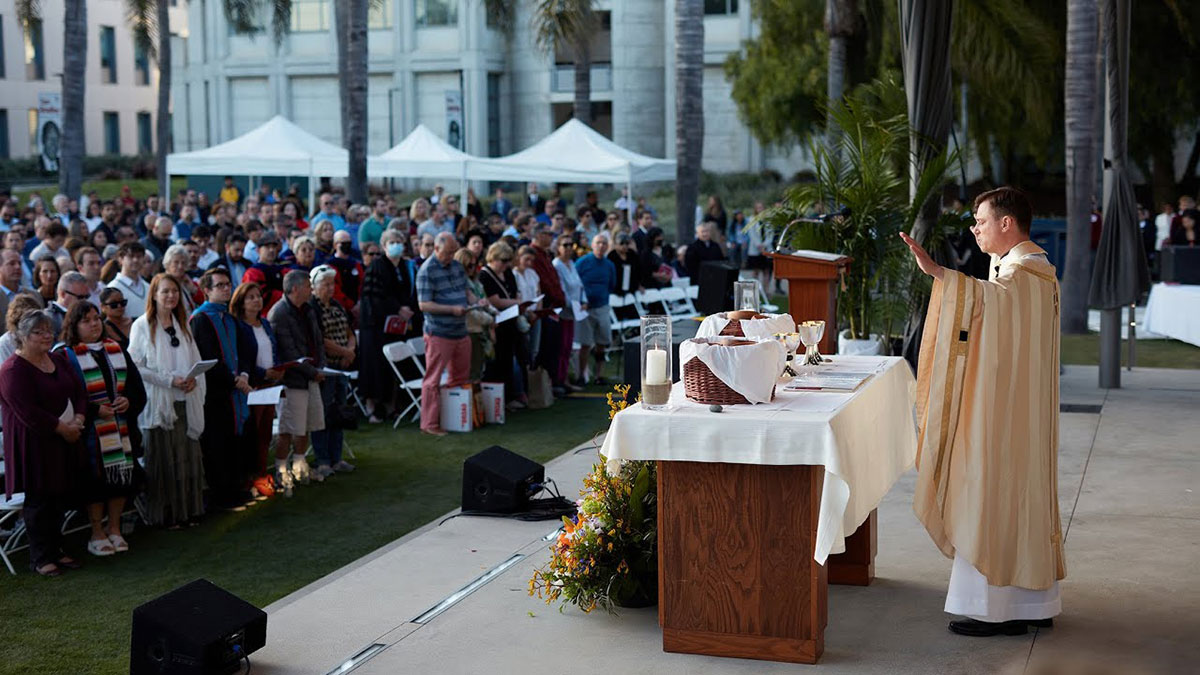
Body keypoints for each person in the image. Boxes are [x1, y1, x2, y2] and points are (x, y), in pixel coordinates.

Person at [899, 186, 1065, 637]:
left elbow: (989, 303)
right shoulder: (1031, 270)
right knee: (1018, 492)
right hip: (1020, 407)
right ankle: (1033, 603)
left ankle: (996, 609)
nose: (975, 229)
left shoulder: (1023, 275)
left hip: (1004, 410)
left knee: (989, 489)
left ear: (1006, 224)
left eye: (981, 221)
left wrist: (938, 273)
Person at [0, 310, 88, 576]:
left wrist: (80, 419)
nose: (47, 336)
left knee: (58, 497)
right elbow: (27, 412)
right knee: (39, 502)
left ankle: (57, 549)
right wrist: (62, 428)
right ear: (23, 336)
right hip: (34, 444)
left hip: (65, 440)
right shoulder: (12, 370)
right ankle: (40, 557)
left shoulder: (58, 359)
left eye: (49, 330)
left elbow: (78, 391)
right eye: (39, 332)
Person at [57, 301, 147, 557]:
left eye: (97, 318)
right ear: (74, 325)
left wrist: (127, 400)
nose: (94, 324)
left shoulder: (116, 349)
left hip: (120, 428)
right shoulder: (66, 355)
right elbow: (65, 395)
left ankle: (115, 528)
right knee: (94, 485)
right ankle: (96, 532)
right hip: (88, 435)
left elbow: (135, 386)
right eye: (86, 320)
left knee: (120, 480)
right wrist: (95, 411)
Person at [128, 274, 207, 529]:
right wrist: (168, 381)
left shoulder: (182, 324)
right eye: (165, 291)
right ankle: (167, 515)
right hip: (160, 405)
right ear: (154, 295)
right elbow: (136, 367)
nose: (171, 296)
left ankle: (189, 511)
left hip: (185, 399)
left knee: (186, 458)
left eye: (174, 291)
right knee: (164, 460)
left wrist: (193, 379)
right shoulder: (142, 325)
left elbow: (195, 358)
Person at [191, 269, 255, 511]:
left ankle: (237, 489)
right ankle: (222, 497)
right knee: (218, 445)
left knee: (235, 443)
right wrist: (234, 380)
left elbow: (245, 351)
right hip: (215, 394)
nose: (226, 289)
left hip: (236, 390)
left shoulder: (229, 318)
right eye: (220, 285)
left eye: (228, 284)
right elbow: (208, 358)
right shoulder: (200, 319)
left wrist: (245, 375)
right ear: (206, 290)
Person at [415, 233, 484, 436]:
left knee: (460, 377)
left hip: (460, 330)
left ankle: (456, 418)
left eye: (454, 251)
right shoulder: (426, 271)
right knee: (433, 379)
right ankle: (429, 424)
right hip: (439, 332)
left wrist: (475, 301)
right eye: (448, 252)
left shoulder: (456, 265)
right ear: (436, 249)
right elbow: (423, 304)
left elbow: (465, 291)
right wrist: (451, 309)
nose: (452, 255)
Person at [267, 271, 327, 494]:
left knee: (306, 425)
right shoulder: (279, 313)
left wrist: (319, 366)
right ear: (295, 288)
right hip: (292, 381)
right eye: (308, 285)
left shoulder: (308, 309)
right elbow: (288, 351)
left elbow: (317, 339)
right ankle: (281, 471)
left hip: (311, 376)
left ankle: (300, 465)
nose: (311, 289)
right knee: (288, 428)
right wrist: (313, 372)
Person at [359, 229, 417, 423]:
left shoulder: (405, 267)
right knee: (374, 366)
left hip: (398, 326)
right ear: (384, 246)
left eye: (399, 241)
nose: (395, 245)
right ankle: (372, 407)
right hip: (376, 325)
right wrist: (397, 308)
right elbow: (373, 295)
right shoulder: (377, 266)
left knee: (395, 366)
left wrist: (407, 309)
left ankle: (392, 406)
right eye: (391, 242)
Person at [231, 281, 282, 499]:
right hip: (252, 387)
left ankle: (262, 477)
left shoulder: (265, 323)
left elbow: (273, 349)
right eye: (250, 297)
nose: (256, 300)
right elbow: (242, 360)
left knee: (265, 434)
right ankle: (249, 480)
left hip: (270, 385)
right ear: (241, 303)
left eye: (258, 296)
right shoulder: (239, 327)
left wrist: (277, 370)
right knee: (251, 434)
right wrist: (263, 373)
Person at [309, 265, 356, 478]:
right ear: (314, 286)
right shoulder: (313, 308)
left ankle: (337, 458)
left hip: (341, 366)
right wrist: (345, 352)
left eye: (332, 284)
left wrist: (350, 350)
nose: (330, 288)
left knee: (339, 412)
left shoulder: (337, 305)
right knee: (323, 413)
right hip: (326, 367)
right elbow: (320, 340)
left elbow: (349, 331)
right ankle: (323, 459)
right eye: (325, 284)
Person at [479, 242, 526, 410]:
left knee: (511, 360)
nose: (506, 264)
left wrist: (518, 301)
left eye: (508, 261)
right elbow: (494, 300)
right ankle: (498, 400)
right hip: (497, 323)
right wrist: (517, 302)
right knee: (497, 362)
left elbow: (515, 291)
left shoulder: (508, 273)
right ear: (494, 257)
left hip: (511, 322)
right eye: (503, 260)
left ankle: (509, 397)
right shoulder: (485, 275)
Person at [528, 224, 566, 395]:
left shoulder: (545, 254)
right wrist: (558, 298)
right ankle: (543, 386)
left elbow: (553, 279)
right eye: (548, 234)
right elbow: (544, 282)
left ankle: (551, 382)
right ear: (539, 235)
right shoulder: (534, 255)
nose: (551, 237)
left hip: (554, 307)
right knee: (544, 348)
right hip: (545, 307)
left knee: (554, 346)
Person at [574, 235, 616, 385]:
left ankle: (599, 375)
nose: (601, 246)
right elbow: (575, 283)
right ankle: (581, 375)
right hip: (586, 309)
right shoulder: (582, 262)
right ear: (592, 245)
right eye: (598, 243)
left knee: (602, 343)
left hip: (603, 307)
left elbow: (612, 284)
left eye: (604, 243)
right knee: (585, 344)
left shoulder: (609, 265)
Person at [455, 249, 493, 382]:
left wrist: (491, 311)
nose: (472, 269)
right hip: (470, 330)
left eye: (474, 265)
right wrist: (490, 319)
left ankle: (475, 401)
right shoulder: (460, 283)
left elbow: (484, 302)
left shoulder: (476, 283)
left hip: (480, 329)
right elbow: (470, 311)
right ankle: (471, 402)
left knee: (478, 372)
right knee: (472, 374)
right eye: (469, 266)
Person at [552, 235, 585, 391]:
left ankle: (564, 378)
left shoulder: (571, 263)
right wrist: (574, 305)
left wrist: (583, 302)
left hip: (574, 310)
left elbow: (579, 285)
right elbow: (562, 290)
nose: (568, 248)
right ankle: (559, 380)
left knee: (568, 346)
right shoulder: (557, 265)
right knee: (561, 347)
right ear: (558, 247)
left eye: (571, 244)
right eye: (565, 245)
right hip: (564, 310)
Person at [107, 242, 150, 319]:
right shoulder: (112, 288)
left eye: (139, 256)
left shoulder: (148, 287)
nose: (135, 260)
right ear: (121, 259)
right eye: (131, 256)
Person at [47, 271, 90, 338]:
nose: (84, 301)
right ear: (63, 294)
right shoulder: (49, 318)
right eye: (80, 297)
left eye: (86, 297)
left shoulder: (89, 313)